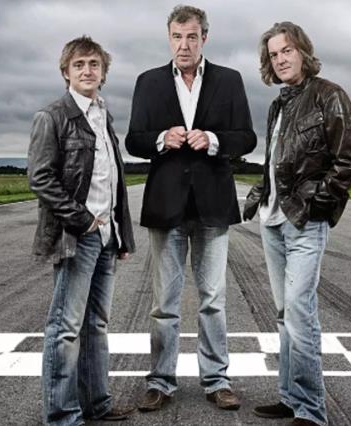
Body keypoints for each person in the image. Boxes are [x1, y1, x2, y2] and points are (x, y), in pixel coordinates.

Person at [126, 4, 257, 412]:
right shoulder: (148, 81)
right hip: (166, 204)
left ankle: (217, 380)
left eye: (192, 37)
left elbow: (248, 137)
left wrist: (214, 140)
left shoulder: (229, 80)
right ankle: (160, 381)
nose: (184, 45)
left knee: (213, 298)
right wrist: (161, 138)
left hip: (212, 204)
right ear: (169, 38)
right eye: (177, 37)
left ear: (204, 38)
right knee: (164, 303)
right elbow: (133, 140)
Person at [243, 22, 351, 426]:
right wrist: (260, 195)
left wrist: (318, 201)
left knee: (300, 313)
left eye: (287, 50)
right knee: (284, 314)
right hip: (272, 220)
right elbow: (275, 162)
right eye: (273, 54)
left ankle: (311, 411)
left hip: (304, 221)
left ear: (303, 52)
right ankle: (290, 397)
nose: (280, 59)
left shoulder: (329, 95)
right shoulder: (278, 104)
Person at [27, 35, 135, 425]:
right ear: (65, 72)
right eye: (79, 65)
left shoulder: (103, 115)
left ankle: (96, 404)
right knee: (65, 329)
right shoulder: (53, 116)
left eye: (94, 64)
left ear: (103, 72)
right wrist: (82, 219)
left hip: (106, 236)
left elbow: (113, 180)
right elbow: (40, 178)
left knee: (96, 326)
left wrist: (121, 235)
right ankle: (61, 415)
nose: (87, 71)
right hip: (78, 236)